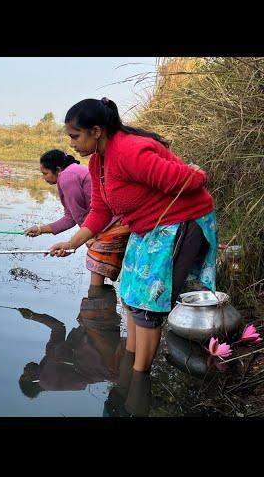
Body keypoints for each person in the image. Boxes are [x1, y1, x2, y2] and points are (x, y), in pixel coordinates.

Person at [50, 97, 217, 373]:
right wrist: (71, 243)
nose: (72, 144)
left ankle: (139, 378)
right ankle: (128, 363)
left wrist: (198, 173)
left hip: (179, 220)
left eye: (75, 136)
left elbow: (186, 179)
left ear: (96, 131)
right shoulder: (98, 163)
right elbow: (100, 211)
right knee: (130, 295)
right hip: (146, 225)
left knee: (149, 304)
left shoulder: (129, 151)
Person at [24, 149, 130, 287]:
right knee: (100, 272)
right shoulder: (72, 172)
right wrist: (40, 229)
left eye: (45, 173)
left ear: (57, 169)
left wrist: (85, 239)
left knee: (96, 278)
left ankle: (95, 304)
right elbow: (70, 218)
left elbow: (79, 216)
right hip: (112, 223)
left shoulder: (67, 177)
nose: (44, 178)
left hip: (112, 225)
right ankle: (102, 305)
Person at [18, 285, 125, 398]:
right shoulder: (47, 383)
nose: (24, 369)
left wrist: (33, 316)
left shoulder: (48, 356)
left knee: (97, 297)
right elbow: (80, 383)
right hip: (100, 355)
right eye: (24, 375)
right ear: (33, 381)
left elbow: (58, 328)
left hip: (92, 335)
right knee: (95, 300)